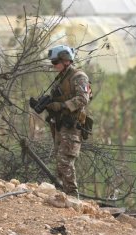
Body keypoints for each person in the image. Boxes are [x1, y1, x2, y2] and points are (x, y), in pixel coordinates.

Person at [43, 45, 92, 197]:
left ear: (66, 60)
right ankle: (62, 196)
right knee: (60, 162)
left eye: (55, 62)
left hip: (71, 125)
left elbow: (83, 99)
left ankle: (72, 197)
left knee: (65, 162)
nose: (54, 65)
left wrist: (62, 105)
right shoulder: (62, 77)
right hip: (60, 125)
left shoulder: (78, 76)